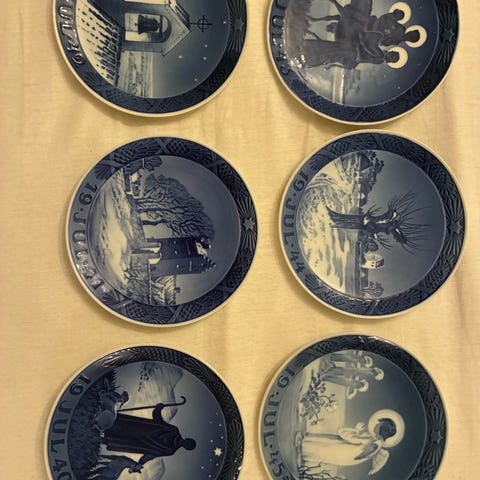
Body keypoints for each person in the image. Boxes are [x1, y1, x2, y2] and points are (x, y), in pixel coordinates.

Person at [102, 402, 196, 470]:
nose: (186, 443)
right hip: (137, 427)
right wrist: (158, 409)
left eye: (188, 444)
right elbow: (159, 423)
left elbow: (152, 454)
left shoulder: (170, 450)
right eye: (189, 442)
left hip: (137, 441)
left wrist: (140, 463)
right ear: (188, 439)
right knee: (112, 423)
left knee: (113, 434)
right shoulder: (174, 431)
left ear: (186, 447)